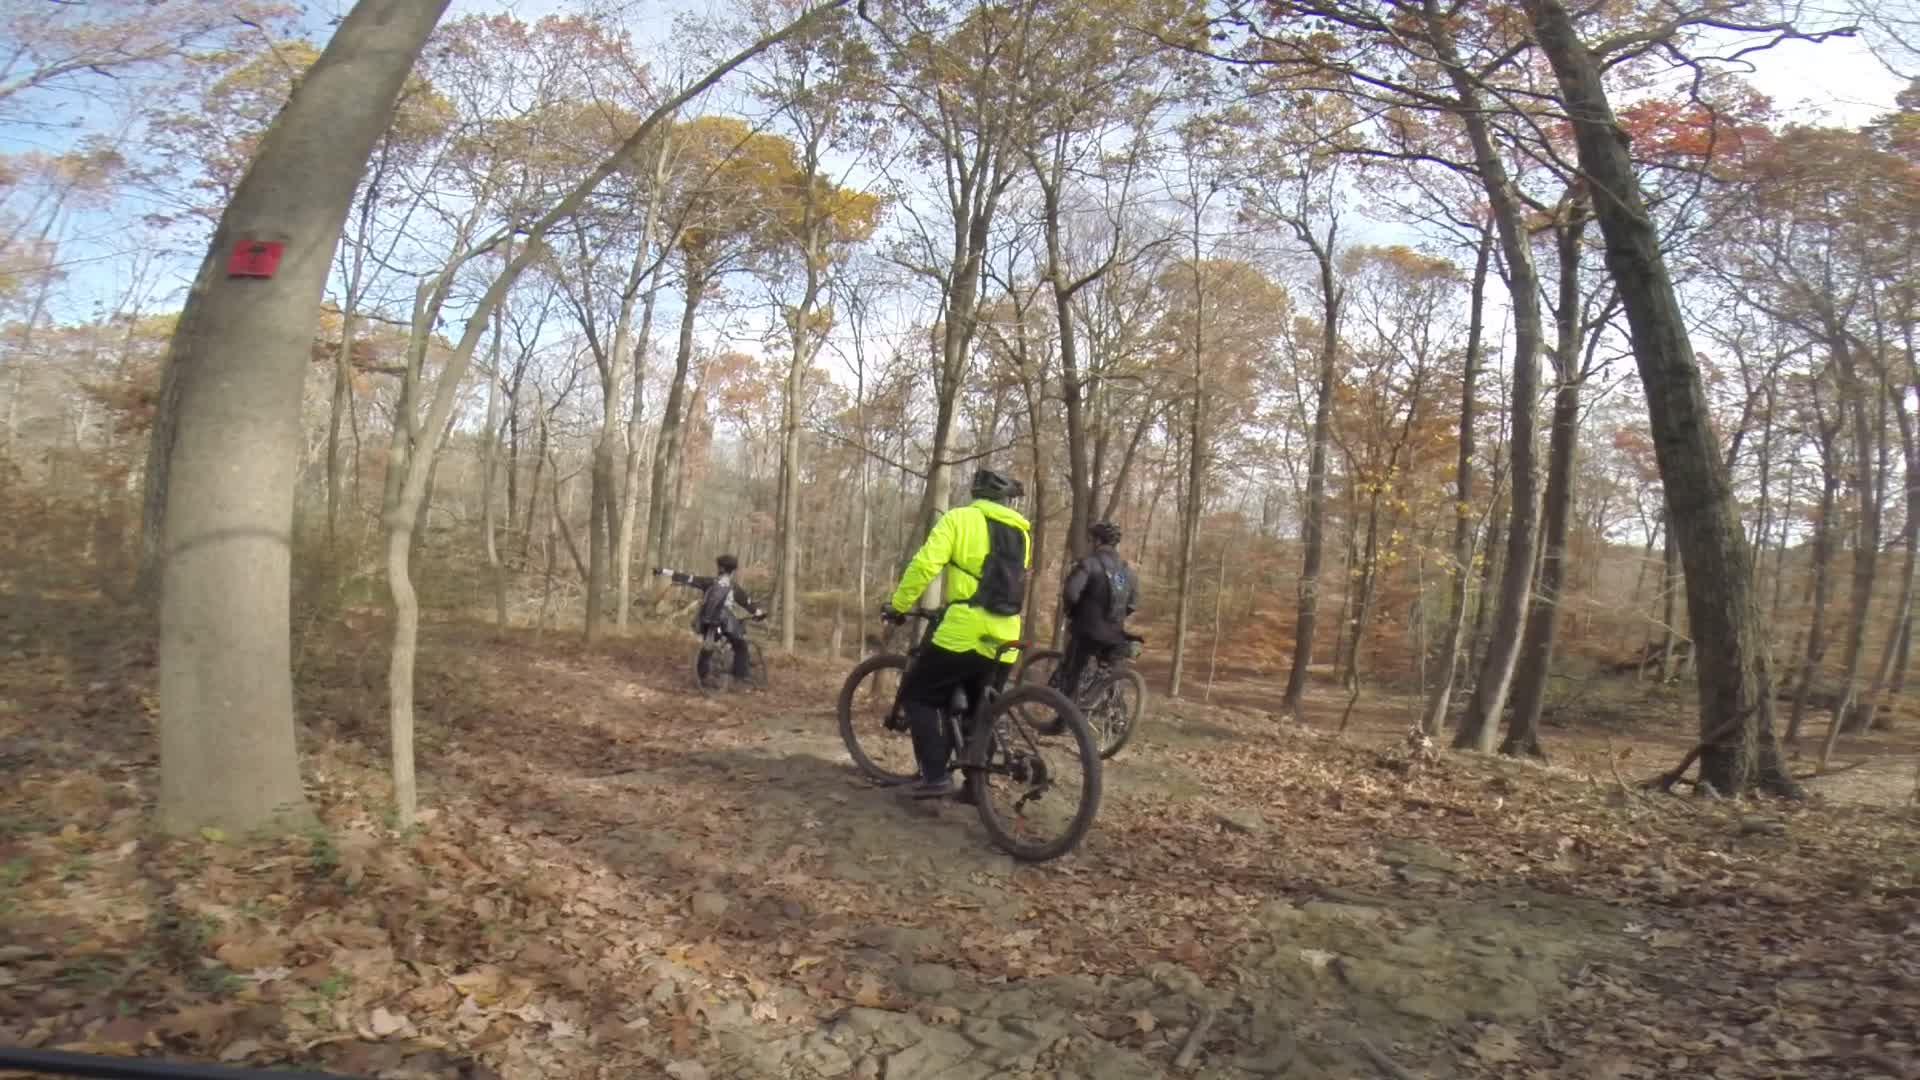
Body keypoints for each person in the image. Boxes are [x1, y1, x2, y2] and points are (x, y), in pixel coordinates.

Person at [883, 468, 1033, 799]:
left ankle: (935, 775)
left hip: (965, 629)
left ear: (976, 493)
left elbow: (925, 565)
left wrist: (899, 604)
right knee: (982, 709)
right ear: (1006, 500)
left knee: (920, 694)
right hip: (1007, 634)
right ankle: (975, 786)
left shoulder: (959, 519)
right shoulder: (1022, 533)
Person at [1054, 521, 1139, 700]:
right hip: (1115, 634)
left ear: (1097, 541)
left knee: (1073, 672)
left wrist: (1073, 612)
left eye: (1092, 539)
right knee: (1106, 670)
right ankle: (1111, 710)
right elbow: (1132, 604)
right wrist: (1114, 618)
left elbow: (1070, 593)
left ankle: (1063, 717)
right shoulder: (1127, 572)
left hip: (1088, 631)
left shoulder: (1090, 563)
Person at [654, 555, 765, 685]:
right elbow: (748, 603)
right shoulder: (734, 587)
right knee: (741, 645)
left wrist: (663, 571)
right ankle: (741, 675)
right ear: (733, 571)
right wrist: (759, 613)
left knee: (707, 647)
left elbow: (687, 578)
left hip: (707, 619)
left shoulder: (710, 582)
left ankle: (703, 676)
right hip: (725, 620)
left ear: (720, 568)